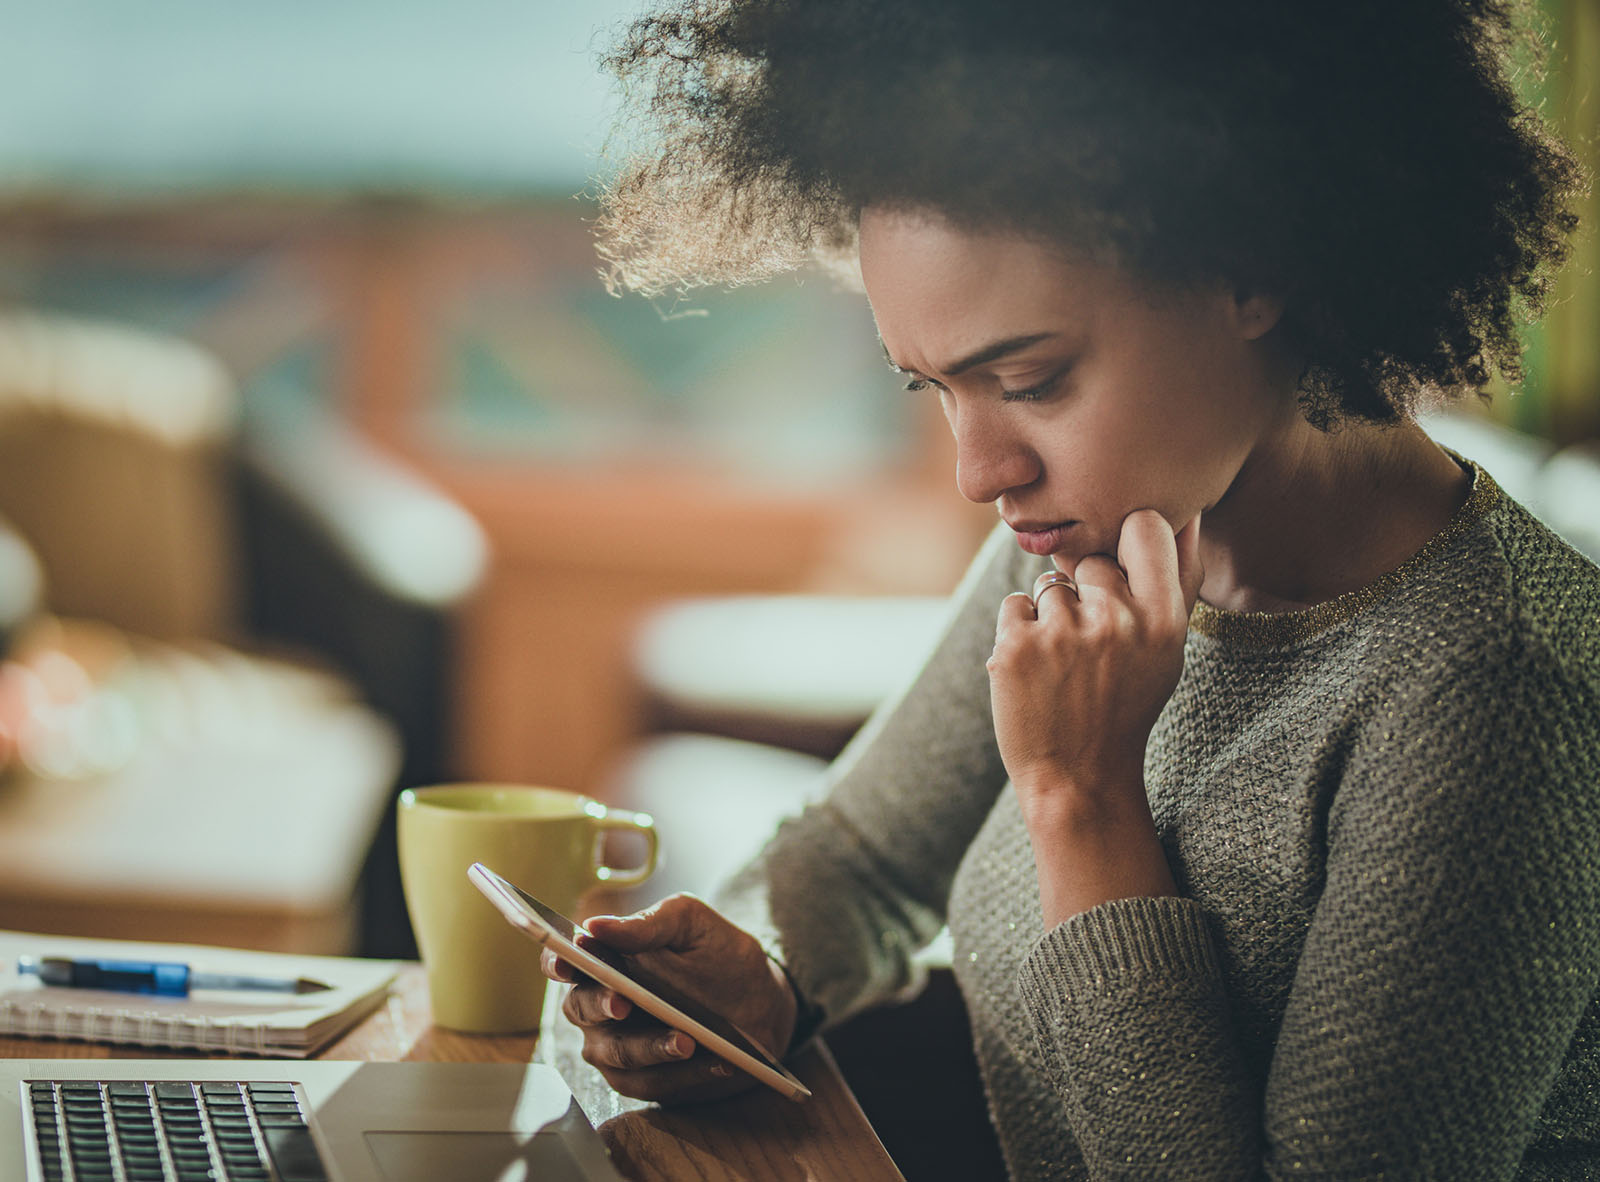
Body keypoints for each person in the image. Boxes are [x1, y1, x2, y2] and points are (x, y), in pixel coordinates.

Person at [543, 0, 1600, 1176]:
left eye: (1033, 380)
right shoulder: (1103, 526)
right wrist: (764, 974)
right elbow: (864, 857)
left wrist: (1085, 804)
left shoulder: (1502, 693)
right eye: (930, 387)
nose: (978, 471)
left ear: (1253, 271)